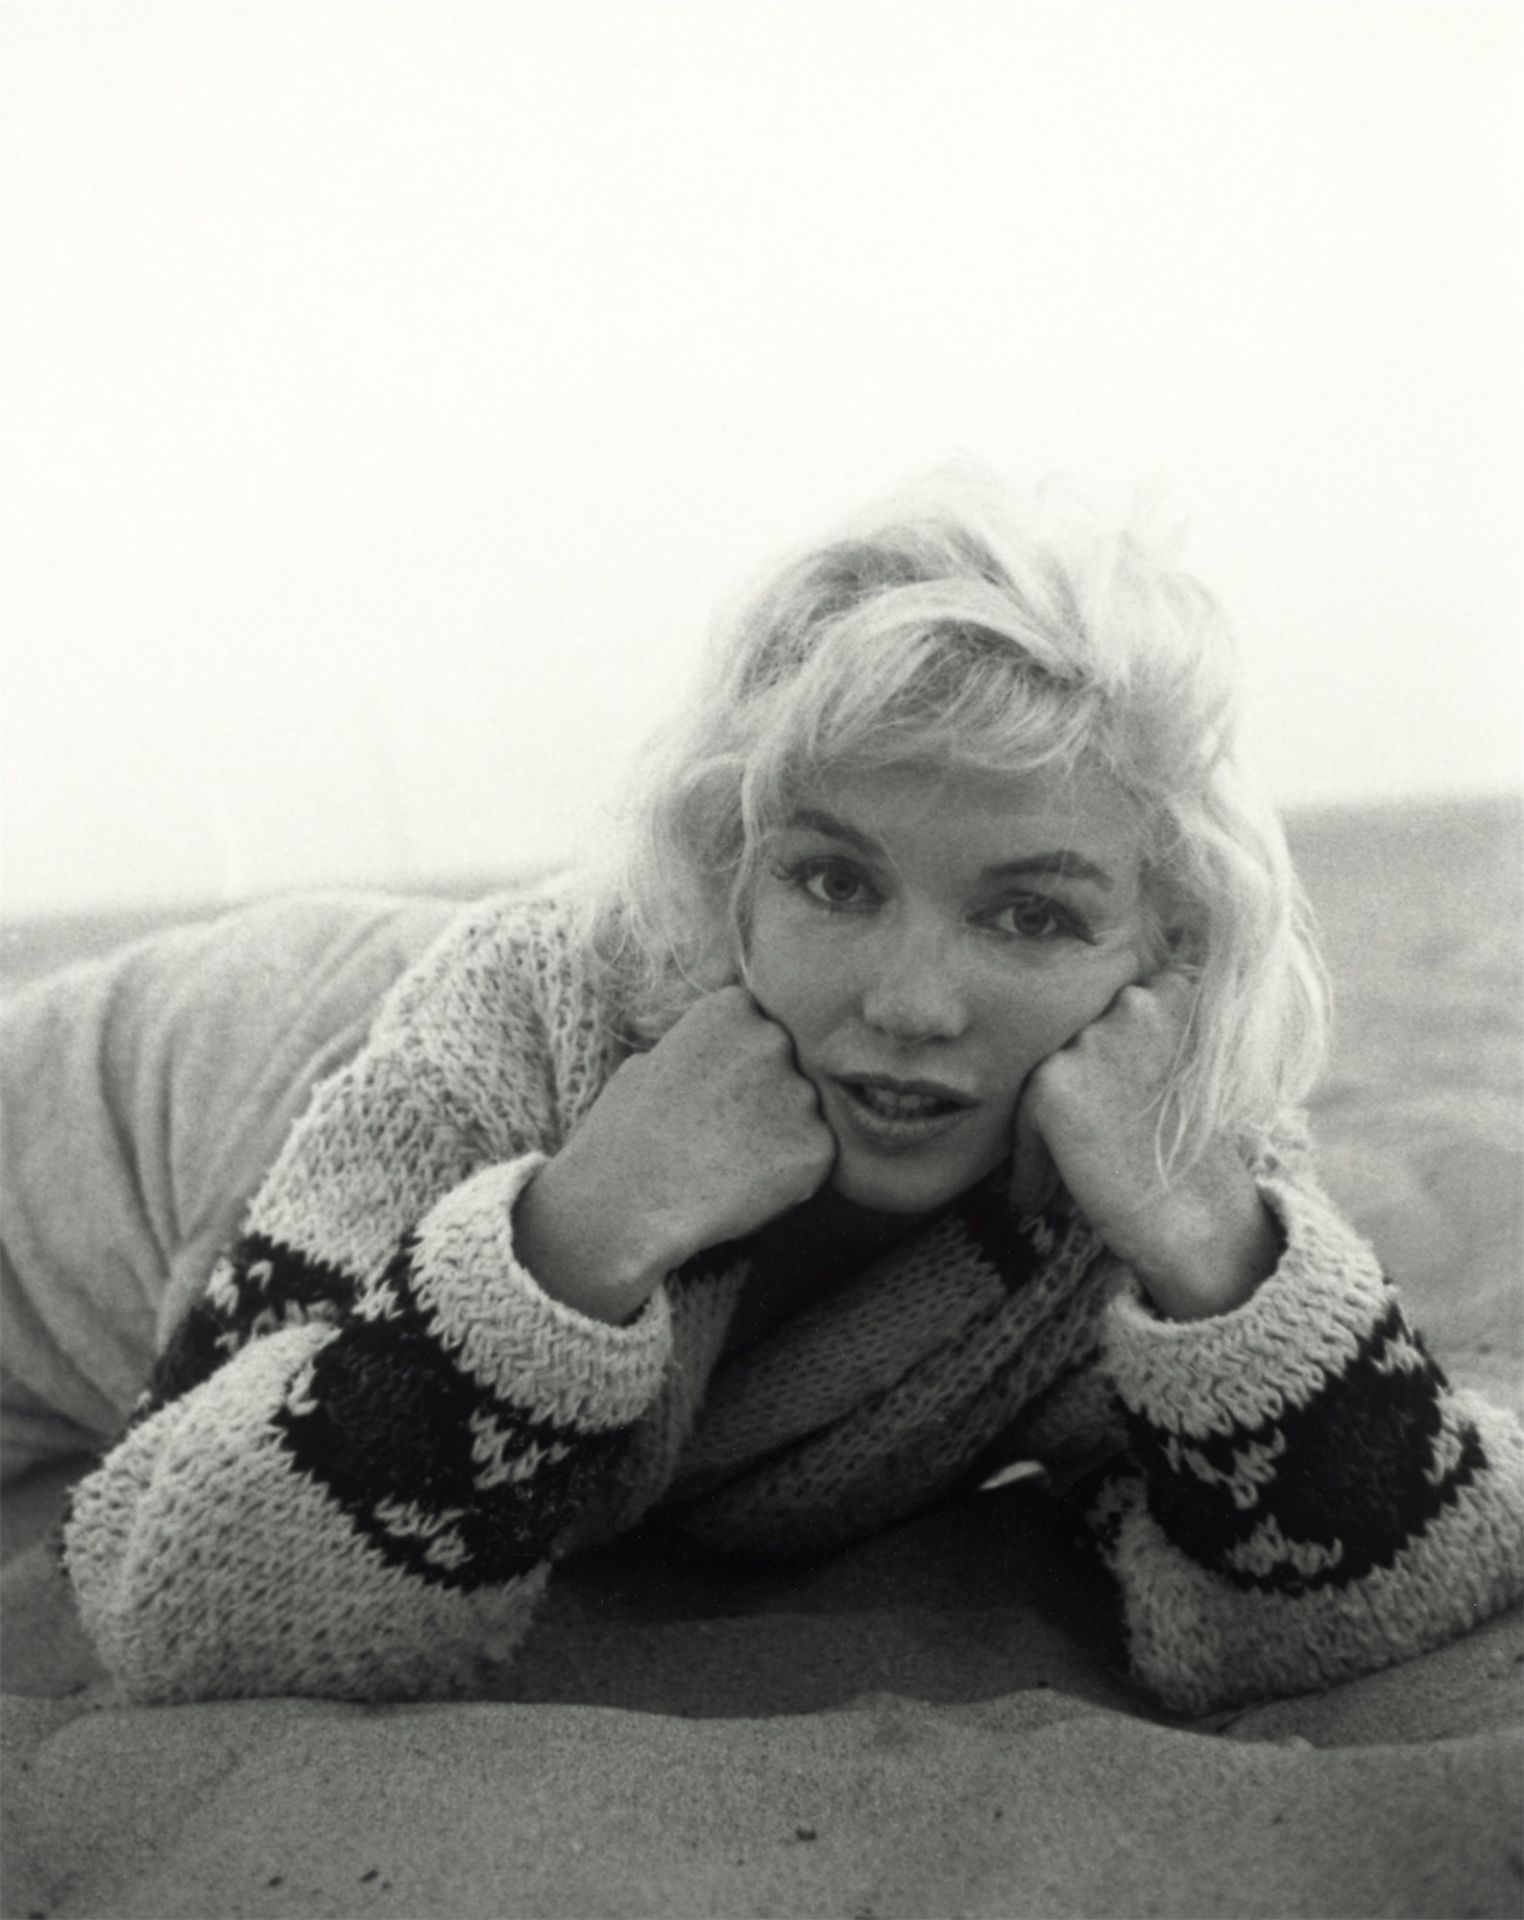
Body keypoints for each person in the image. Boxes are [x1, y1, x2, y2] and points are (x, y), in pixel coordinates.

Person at [43, 473, 1524, 1709]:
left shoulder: (1167, 1139)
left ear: (1168, 948)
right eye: (832, 879)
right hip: (120, 1103)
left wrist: (1218, 1265)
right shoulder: (527, 1018)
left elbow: (1392, 1579)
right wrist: (575, 1236)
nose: (909, 1002)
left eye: (1031, 915)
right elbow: (183, 1603)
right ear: (723, 871)